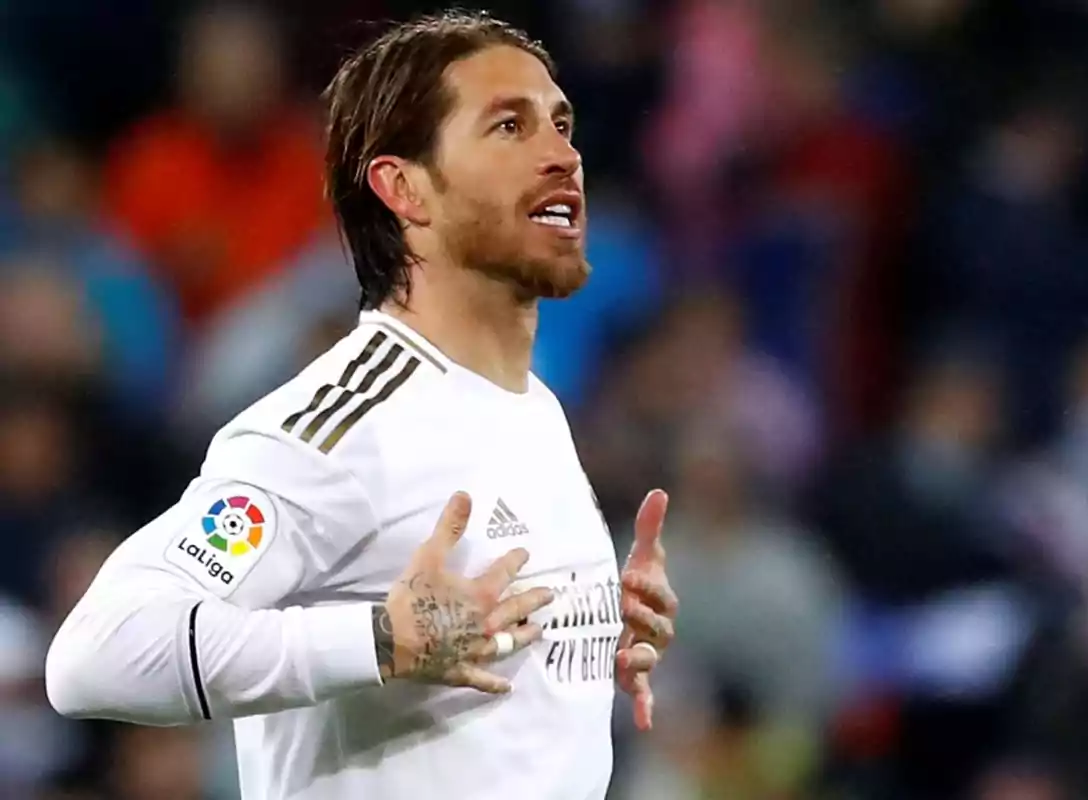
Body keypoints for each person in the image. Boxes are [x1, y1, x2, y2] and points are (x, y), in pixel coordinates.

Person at [44, 11, 678, 800]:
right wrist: (379, 639)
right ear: (402, 187)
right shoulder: (337, 426)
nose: (562, 156)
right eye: (509, 126)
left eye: (561, 123)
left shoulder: (534, 407)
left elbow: (466, 653)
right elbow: (94, 654)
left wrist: (586, 629)